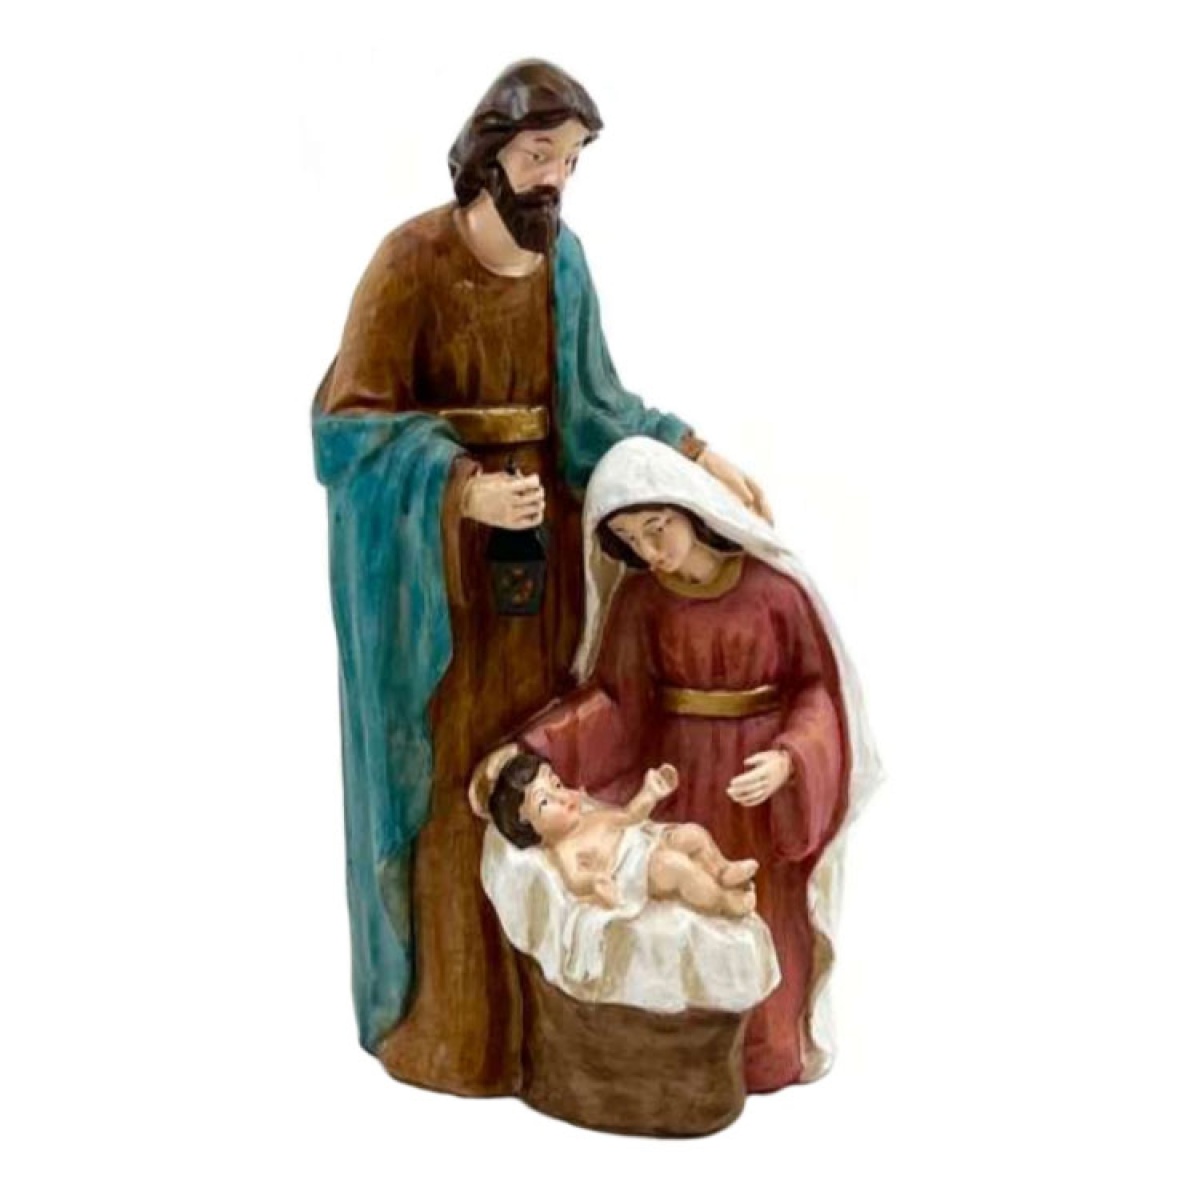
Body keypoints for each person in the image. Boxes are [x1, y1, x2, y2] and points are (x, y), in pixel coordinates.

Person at [311, 60, 766, 1098]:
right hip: (437, 600)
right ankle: (449, 1034)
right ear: (487, 157)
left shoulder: (566, 265)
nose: (555, 178)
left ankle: (549, 1040)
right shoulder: (408, 262)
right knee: (451, 791)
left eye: (570, 160)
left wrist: (693, 453)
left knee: (551, 780)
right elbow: (345, 430)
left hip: (545, 579)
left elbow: (599, 408)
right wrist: (458, 489)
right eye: (537, 155)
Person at [474, 436, 881, 1094]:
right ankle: (692, 1076)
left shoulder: (775, 592)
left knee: (762, 914)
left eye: (658, 528)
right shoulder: (640, 601)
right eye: (632, 540)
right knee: (682, 918)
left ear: (692, 509)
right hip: (675, 779)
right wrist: (536, 751)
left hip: (755, 788)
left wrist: (790, 759)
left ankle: (767, 1055)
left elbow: (816, 690)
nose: (651, 550)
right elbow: (614, 702)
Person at [489, 754, 759, 915]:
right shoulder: (564, 848)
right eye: (545, 802)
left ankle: (722, 870)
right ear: (529, 826)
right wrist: (595, 882)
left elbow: (630, 816)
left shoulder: (591, 817)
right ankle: (724, 902)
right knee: (676, 867)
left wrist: (650, 792)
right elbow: (575, 879)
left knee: (693, 834)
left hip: (646, 842)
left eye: (557, 784)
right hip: (635, 870)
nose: (561, 797)